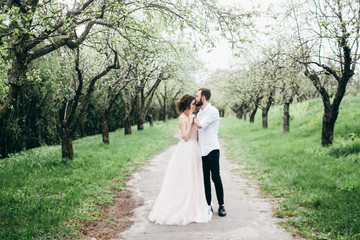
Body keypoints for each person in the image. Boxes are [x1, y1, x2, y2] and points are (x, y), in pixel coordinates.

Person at [148, 94, 212, 225]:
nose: (195, 106)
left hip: (195, 149)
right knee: (184, 177)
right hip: (187, 149)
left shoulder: (194, 116)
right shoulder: (183, 118)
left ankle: (194, 205)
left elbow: (200, 129)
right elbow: (185, 137)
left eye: (195, 103)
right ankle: (182, 205)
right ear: (188, 104)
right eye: (193, 103)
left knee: (194, 177)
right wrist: (190, 122)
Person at [194, 88, 226, 217]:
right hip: (202, 150)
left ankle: (222, 205)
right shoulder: (200, 113)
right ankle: (208, 205)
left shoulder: (213, 111)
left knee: (216, 177)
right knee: (205, 179)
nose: (195, 98)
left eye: (197, 96)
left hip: (212, 149)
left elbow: (201, 125)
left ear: (203, 98)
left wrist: (190, 116)